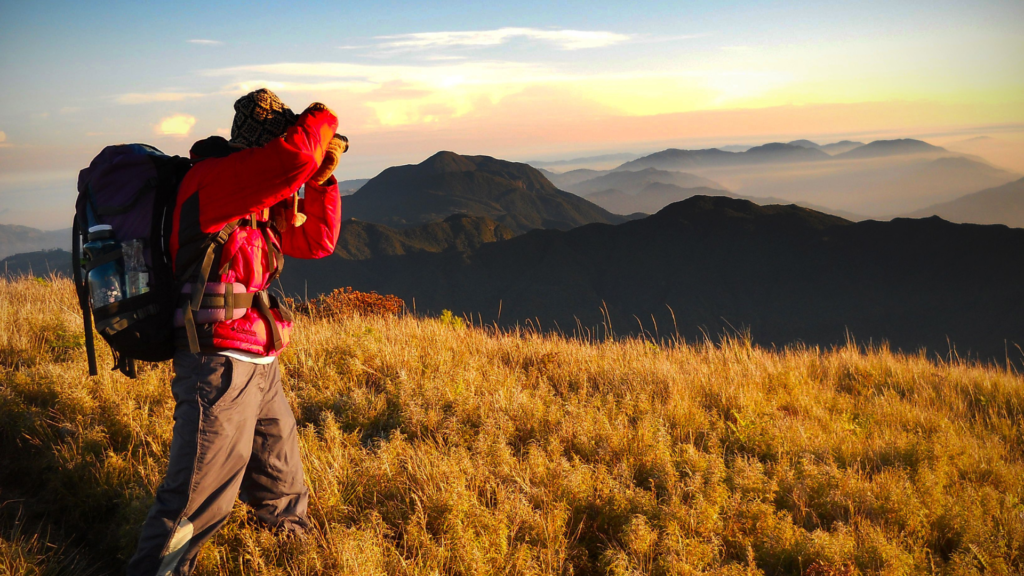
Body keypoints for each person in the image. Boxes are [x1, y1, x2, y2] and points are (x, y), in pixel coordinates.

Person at [126, 89, 347, 576]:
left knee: (281, 482)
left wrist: (322, 183)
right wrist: (323, 119)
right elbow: (298, 155)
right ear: (259, 144)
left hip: (259, 358)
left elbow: (317, 241)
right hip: (218, 360)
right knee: (197, 495)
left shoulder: (253, 200)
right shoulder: (216, 181)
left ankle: (292, 560)